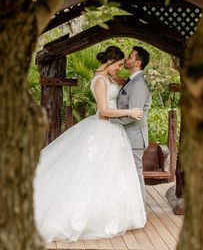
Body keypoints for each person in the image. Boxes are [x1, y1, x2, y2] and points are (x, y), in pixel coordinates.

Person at [34, 45, 147, 242]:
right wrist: (129, 112)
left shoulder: (110, 77)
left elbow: (128, 83)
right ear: (110, 61)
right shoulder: (100, 81)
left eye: (123, 64)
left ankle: (112, 209)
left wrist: (133, 78)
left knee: (110, 173)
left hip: (114, 130)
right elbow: (104, 110)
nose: (119, 68)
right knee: (93, 173)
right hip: (104, 126)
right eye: (118, 64)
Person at [109, 46, 151, 203]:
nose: (126, 59)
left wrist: (112, 121)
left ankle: (141, 211)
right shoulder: (131, 81)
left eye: (130, 56)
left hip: (134, 138)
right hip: (125, 136)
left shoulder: (139, 84)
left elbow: (135, 115)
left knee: (135, 174)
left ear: (138, 62)